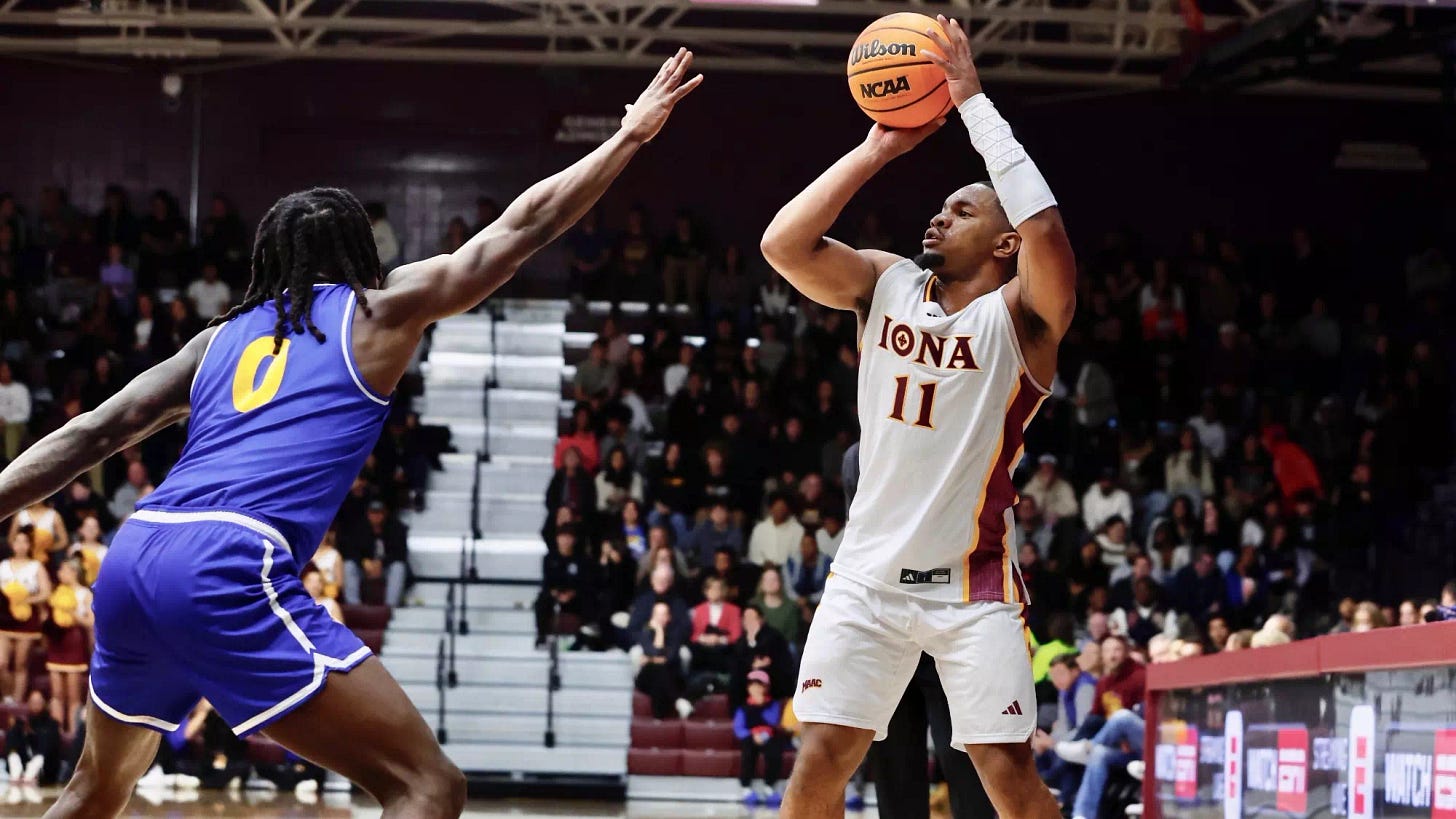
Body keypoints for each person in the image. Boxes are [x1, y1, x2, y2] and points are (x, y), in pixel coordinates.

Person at [0, 52, 701, 819]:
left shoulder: (217, 341)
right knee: (429, 785)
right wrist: (627, 138)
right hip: (228, 561)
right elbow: (521, 227)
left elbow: (94, 429)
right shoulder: (377, 310)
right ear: (360, 257)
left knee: (93, 789)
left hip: (136, 557)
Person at [760, 17, 1074, 817]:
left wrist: (972, 105)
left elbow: (1047, 228)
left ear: (1004, 244)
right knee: (818, 767)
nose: (937, 217)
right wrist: (877, 150)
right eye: (939, 207)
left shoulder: (1025, 320)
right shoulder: (886, 281)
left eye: (961, 210)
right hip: (865, 575)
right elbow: (782, 245)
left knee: (1009, 779)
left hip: (972, 586)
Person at [0, 529, 50, 704]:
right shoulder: (3, 565)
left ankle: (16, 701)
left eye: (24, 542)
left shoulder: (36, 566)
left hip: (27, 619)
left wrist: (25, 599)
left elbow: (46, 592)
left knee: (20, 664)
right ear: (12, 544)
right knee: (2, 664)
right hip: (4, 618)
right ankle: (7, 696)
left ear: (29, 545)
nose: (20, 545)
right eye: (17, 541)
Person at [45, 558, 94, 735]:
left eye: (64, 570)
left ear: (74, 572)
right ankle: (55, 733)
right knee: (56, 693)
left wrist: (72, 613)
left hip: (74, 640)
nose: (60, 574)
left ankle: (73, 734)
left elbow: (91, 621)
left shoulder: (84, 594)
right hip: (56, 641)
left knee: (73, 694)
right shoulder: (56, 592)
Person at [340, 500, 410, 607]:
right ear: (368, 514)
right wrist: (364, 562)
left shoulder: (397, 528)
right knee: (348, 566)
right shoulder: (358, 528)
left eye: (379, 513)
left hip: (386, 568)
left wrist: (381, 563)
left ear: (385, 514)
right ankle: (354, 606)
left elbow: (400, 553)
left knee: (398, 567)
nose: (376, 516)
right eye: (373, 513)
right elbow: (350, 550)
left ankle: (390, 607)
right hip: (364, 568)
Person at [735, 669, 787, 806]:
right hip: (750, 737)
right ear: (748, 688)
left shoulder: (772, 705)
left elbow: (773, 721)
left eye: (760, 685)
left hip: (768, 736)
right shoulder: (743, 707)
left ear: (766, 687)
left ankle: (769, 786)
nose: (756, 688)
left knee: (774, 752)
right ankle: (746, 787)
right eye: (753, 685)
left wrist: (761, 705)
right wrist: (752, 735)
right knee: (748, 752)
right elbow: (739, 728)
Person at [633, 602, 692, 720]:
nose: (660, 618)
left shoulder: (675, 633)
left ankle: (658, 718)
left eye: (663, 614)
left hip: (670, 675)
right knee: (657, 670)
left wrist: (650, 659)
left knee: (659, 675)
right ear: (652, 616)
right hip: (646, 678)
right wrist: (659, 631)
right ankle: (679, 701)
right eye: (657, 614)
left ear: (669, 617)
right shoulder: (645, 632)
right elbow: (655, 653)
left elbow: (669, 658)